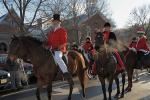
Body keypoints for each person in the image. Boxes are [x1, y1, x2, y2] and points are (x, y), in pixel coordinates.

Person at [47, 14, 73, 85]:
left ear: (59, 22)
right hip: (51, 50)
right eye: (54, 21)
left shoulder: (62, 30)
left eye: (57, 22)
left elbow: (64, 42)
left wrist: (58, 47)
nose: (55, 23)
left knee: (57, 58)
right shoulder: (51, 32)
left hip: (59, 50)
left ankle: (66, 73)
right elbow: (49, 42)